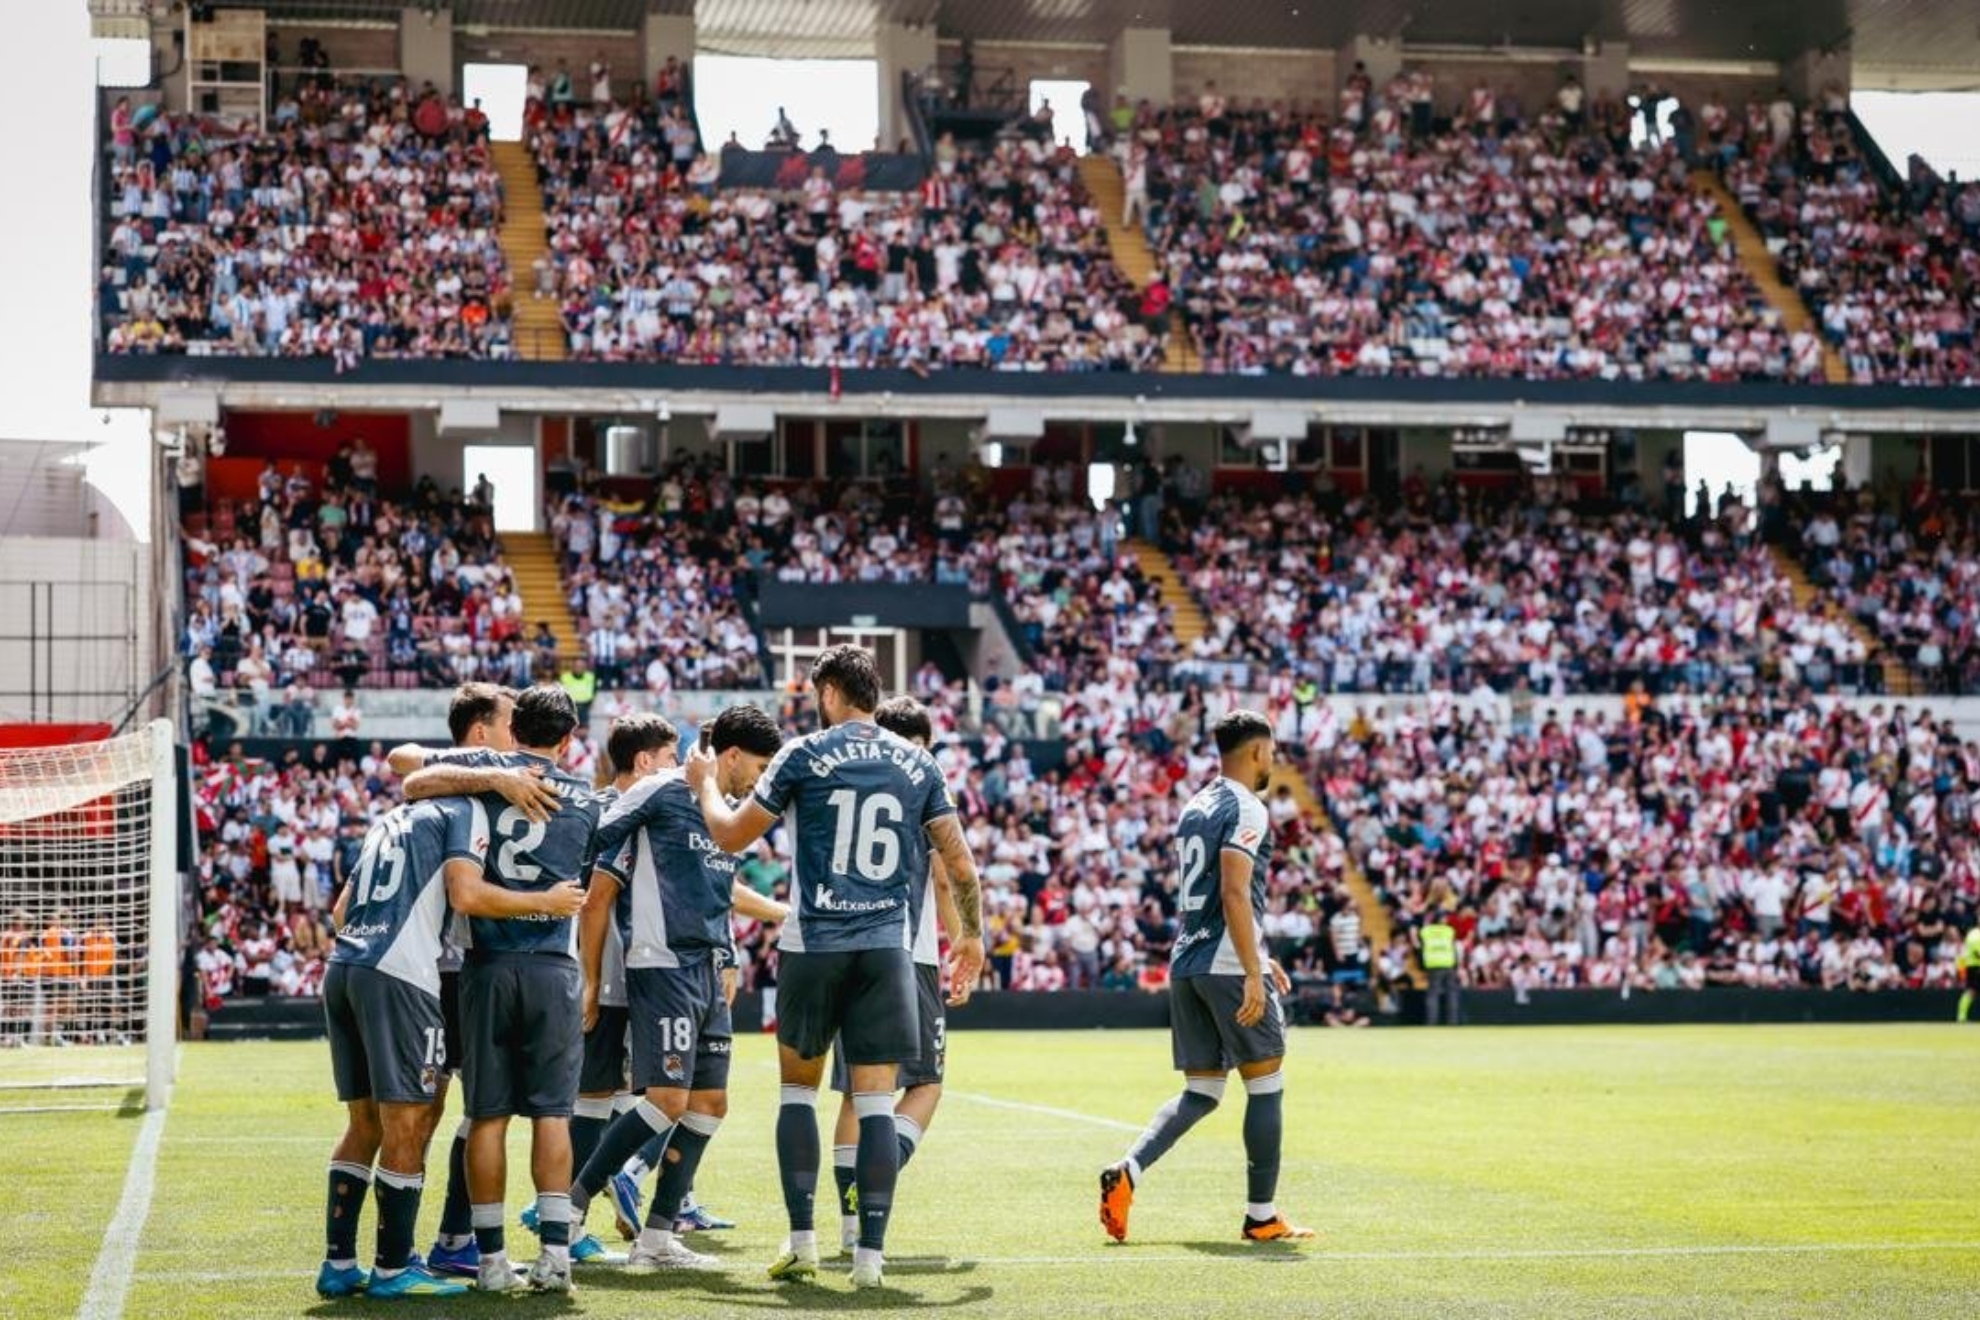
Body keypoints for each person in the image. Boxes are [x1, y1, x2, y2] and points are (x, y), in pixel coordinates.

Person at [686, 644, 986, 1289]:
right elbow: (960, 865)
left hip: (813, 943)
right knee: (876, 1103)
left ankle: (803, 1241)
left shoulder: (801, 753)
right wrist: (974, 938)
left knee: (798, 1093)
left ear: (828, 692)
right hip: (886, 950)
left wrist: (705, 783)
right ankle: (869, 1257)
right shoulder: (918, 761)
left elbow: (729, 835)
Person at [566, 705, 789, 1271]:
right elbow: (594, 835)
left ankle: (657, 1238)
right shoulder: (660, 789)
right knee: (666, 1100)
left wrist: (730, 954)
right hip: (661, 962)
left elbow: (719, 891)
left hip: (708, 968)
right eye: (760, 766)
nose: (761, 779)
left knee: (710, 1103)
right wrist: (587, 974)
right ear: (731, 755)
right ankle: (569, 1208)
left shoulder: (727, 814)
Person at [315, 789, 547, 1301]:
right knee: (410, 1121)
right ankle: (394, 1268)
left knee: (364, 1123)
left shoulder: (391, 818)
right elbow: (466, 896)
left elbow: (340, 910)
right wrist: (546, 902)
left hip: (346, 965)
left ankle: (339, 1264)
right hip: (403, 974)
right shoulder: (463, 812)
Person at [413, 685, 605, 1294]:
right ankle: (555, 1256)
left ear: (513, 729)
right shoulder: (587, 801)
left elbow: (410, 773)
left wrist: (491, 776)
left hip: (486, 964)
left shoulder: (482, 782)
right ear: (569, 738)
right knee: (553, 1116)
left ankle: (491, 1261)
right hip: (552, 966)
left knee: (486, 1116)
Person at [1099, 710, 1313, 1245]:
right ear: (1257, 751)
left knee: (1202, 1090)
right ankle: (1261, 1216)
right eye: (1272, 752)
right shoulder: (1248, 806)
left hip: (1188, 960)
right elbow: (1233, 892)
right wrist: (1251, 970)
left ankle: (1128, 1170)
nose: (1273, 761)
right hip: (1224, 964)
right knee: (1265, 1085)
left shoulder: (1196, 805)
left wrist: (1256, 956)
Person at [374, 683, 561, 1280]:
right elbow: (402, 760)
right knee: (436, 1108)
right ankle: (406, 1250)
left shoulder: (522, 777)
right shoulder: (482, 767)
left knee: (468, 1106)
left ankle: (452, 1237)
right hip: (444, 966)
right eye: (509, 722)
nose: (517, 734)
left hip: (469, 962)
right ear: (482, 732)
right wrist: (493, 775)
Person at [825, 696, 966, 1256]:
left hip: (846, 950)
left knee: (855, 1094)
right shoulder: (922, 786)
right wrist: (963, 942)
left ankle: (847, 1226)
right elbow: (946, 874)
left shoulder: (849, 785)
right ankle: (873, 1183)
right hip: (910, 955)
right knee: (925, 1085)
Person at [1419, 907, 1462, 1025]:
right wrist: (1456, 965)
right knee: (1451, 993)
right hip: (1448, 964)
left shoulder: (1426, 931)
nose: (1446, 919)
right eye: (1445, 918)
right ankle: (1452, 1021)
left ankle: (1431, 1022)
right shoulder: (1449, 931)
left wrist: (1422, 966)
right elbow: (1453, 949)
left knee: (1433, 994)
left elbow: (1421, 946)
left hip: (1433, 965)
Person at [1958, 926, 1980, 1023]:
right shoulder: (1975, 935)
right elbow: (1978, 952)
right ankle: (1961, 1017)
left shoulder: (1973, 933)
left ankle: (1961, 1017)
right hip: (1975, 966)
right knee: (1971, 991)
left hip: (1973, 966)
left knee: (1972, 991)